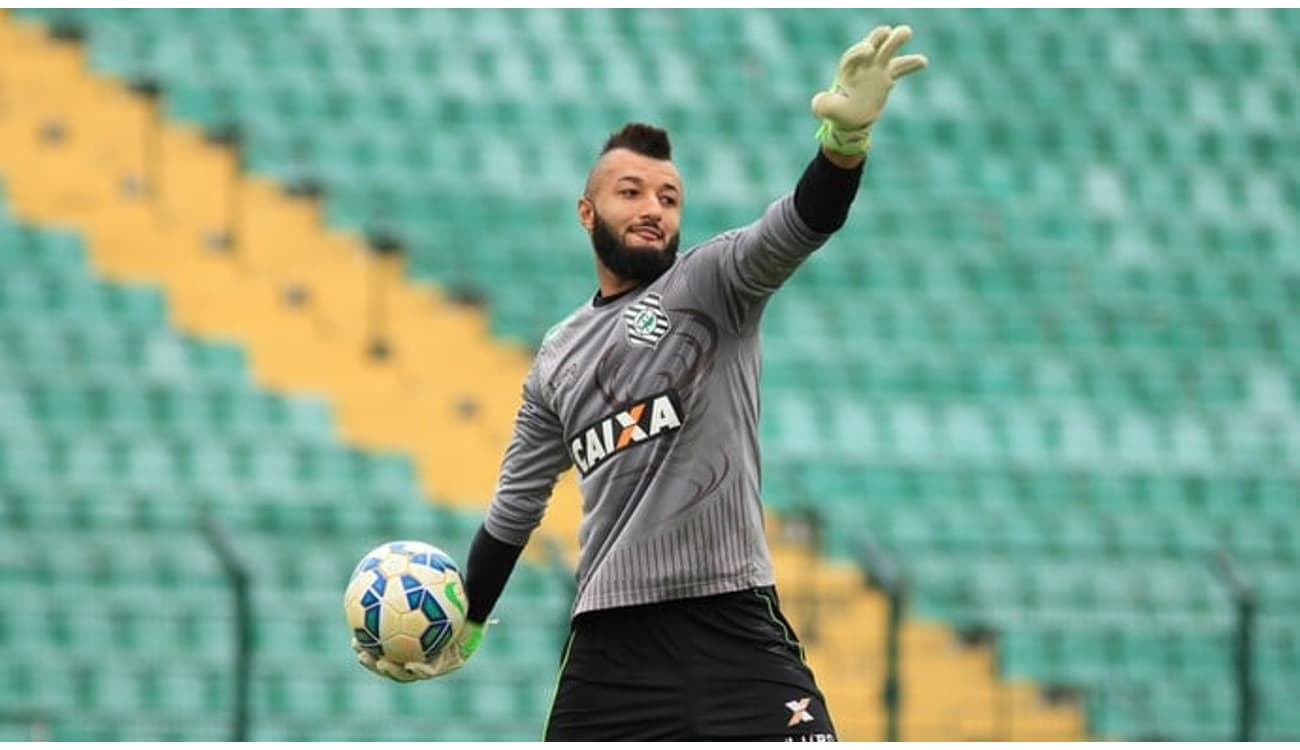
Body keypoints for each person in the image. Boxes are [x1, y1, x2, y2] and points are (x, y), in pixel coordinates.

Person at [355, 23, 928, 741]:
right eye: (632, 192)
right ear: (587, 213)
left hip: (731, 621)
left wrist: (842, 151)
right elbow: (515, 507)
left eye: (669, 197)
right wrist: (463, 624)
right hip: (610, 644)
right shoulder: (557, 355)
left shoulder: (714, 282)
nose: (654, 208)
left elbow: (801, 224)